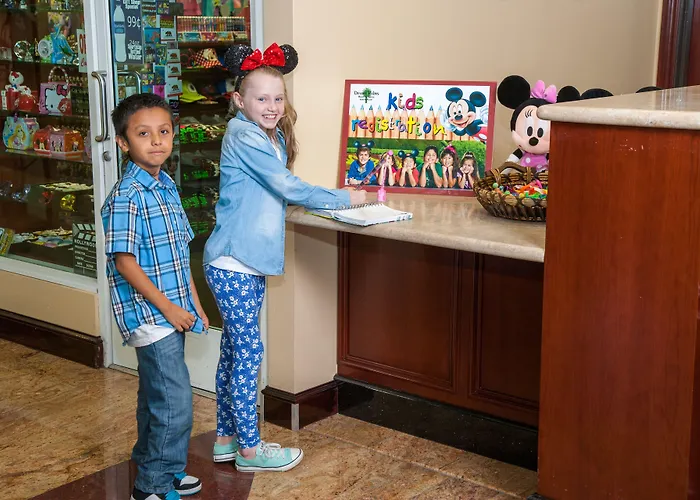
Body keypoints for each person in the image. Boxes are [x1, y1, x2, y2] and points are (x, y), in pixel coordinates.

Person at [203, 42, 366, 472]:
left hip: (243, 261)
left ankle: (225, 439)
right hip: (234, 262)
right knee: (248, 353)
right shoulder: (244, 135)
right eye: (262, 99)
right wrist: (344, 198)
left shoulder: (264, 135)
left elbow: (271, 189)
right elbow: (285, 185)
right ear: (239, 100)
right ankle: (250, 449)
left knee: (234, 352)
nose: (272, 106)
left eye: (278, 98)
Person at [101, 93, 208, 500]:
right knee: (174, 402)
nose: (157, 141)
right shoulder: (127, 196)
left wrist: (194, 304)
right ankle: (152, 487)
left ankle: (157, 462)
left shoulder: (165, 186)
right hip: (150, 315)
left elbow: (179, 254)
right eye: (143, 134)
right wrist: (169, 308)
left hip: (173, 309)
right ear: (123, 143)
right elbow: (125, 263)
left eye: (163, 131)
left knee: (155, 395)